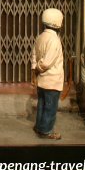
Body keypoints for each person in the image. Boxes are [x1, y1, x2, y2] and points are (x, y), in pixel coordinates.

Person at [30, 8, 65, 140]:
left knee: (41, 104)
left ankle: (39, 126)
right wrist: (38, 68)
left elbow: (34, 55)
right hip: (52, 80)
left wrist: (34, 71)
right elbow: (46, 62)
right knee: (50, 107)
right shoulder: (54, 39)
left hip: (42, 80)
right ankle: (46, 131)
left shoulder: (40, 36)